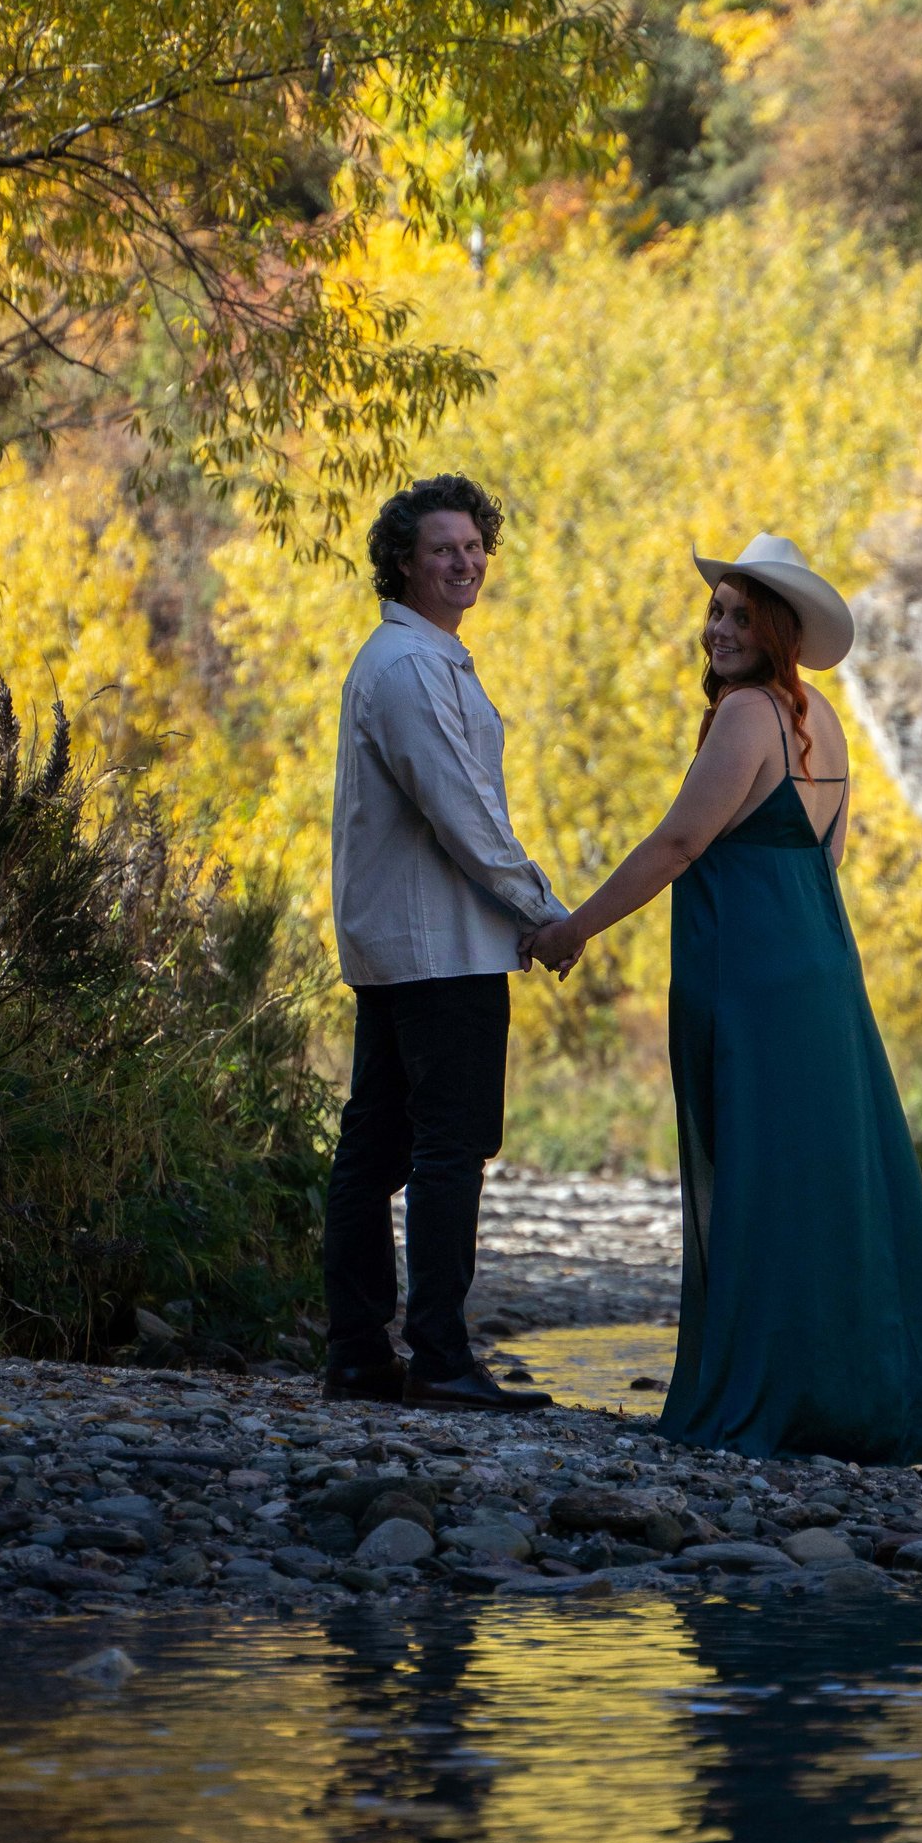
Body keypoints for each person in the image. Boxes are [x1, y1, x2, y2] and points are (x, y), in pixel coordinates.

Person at [523, 535, 922, 1467]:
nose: (720, 630)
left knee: (754, 1180)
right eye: (716, 613)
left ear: (779, 629)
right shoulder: (819, 716)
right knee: (821, 1186)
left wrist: (575, 927)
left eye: (742, 616)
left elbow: (676, 846)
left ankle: (766, 1401)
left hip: (750, 980)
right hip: (816, 968)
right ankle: (857, 1399)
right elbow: (830, 857)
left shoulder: (745, 716)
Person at [322, 471, 564, 1413]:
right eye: (442, 550)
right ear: (403, 565)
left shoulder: (420, 660)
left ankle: (358, 1355)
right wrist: (539, 909)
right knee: (445, 1150)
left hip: (408, 944)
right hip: (442, 947)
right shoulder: (411, 668)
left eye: (473, 547)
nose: (464, 563)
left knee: (377, 1149)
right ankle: (437, 1357)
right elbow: (460, 809)